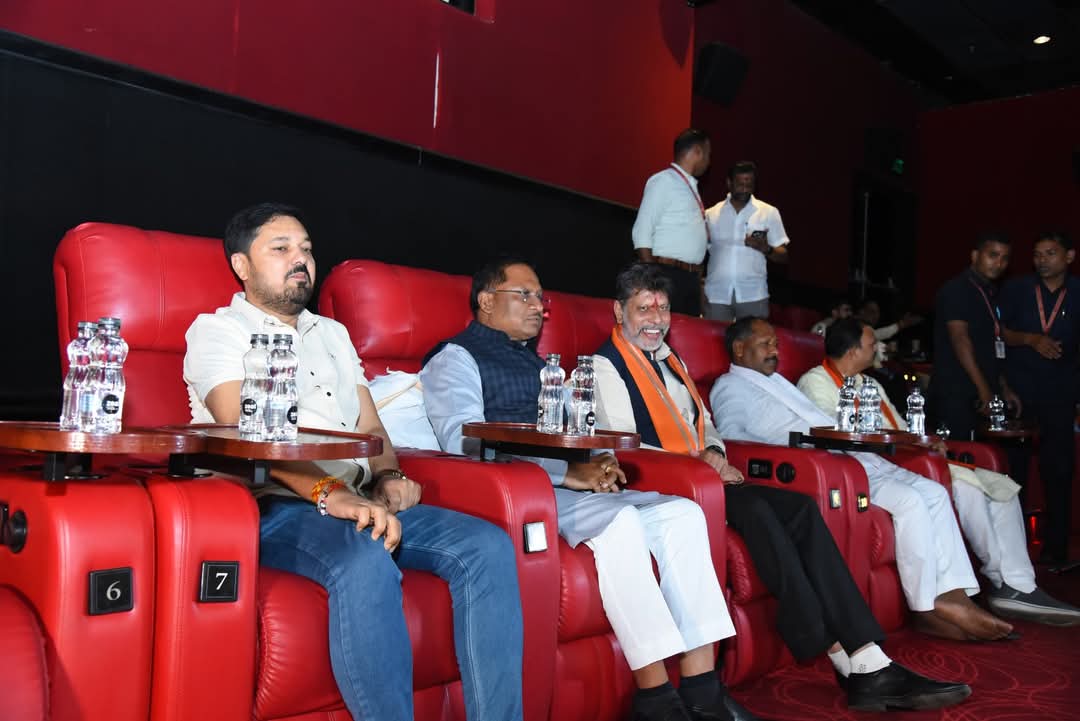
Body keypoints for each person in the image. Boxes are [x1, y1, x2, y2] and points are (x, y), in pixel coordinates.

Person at [183, 203, 525, 721]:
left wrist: (389, 475)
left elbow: (371, 426)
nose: (300, 259)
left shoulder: (333, 334)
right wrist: (331, 494)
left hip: (357, 497)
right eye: (281, 249)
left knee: (487, 546)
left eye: (306, 249)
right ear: (242, 265)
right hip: (274, 504)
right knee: (364, 557)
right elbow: (249, 432)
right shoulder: (218, 330)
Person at [591, 263, 971, 712]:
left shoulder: (672, 361)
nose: (655, 319)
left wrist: (714, 453)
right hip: (669, 486)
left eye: (663, 308)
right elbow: (626, 446)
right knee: (759, 513)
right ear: (619, 311)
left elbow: (705, 424)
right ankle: (844, 657)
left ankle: (868, 656)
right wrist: (700, 466)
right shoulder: (605, 365)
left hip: (708, 476)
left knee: (801, 509)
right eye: (644, 309)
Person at [421, 258, 739, 721]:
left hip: (568, 484)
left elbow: (581, 426)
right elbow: (462, 439)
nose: (539, 307)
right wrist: (565, 472)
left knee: (683, 514)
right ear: (486, 301)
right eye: (525, 295)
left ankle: (702, 690)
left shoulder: (540, 364)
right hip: (518, 492)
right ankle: (655, 699)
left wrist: (600, 459)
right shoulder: (455, 358)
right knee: (622, 522)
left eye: (541, 298)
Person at [710, 317, 1015, 643]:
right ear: (739, 348)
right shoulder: (729, 387)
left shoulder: (778, 381)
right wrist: (798, 452)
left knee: (934, 492)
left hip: (846, 456)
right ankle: (926, 608)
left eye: (775, 343)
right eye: (765, 344)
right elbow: (734, 443)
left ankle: (953, 594)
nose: (774, 350)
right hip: (815, 470)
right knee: (911, 501)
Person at [798, 318, 1080, 625]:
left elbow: (901, 428)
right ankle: (994, 584)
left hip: (902, 457)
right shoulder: (816, 382)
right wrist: (910, 446)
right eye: (871, 344)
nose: (878, 348)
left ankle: (1017, 583)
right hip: (875, 465)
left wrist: (925, 441)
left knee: (1002, 489)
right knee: (970, 491)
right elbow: (835, 433)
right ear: (853, 351)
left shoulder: (870, 383)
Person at [999, 231, 1080, 566]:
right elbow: (998, 333)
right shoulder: (1017, 288)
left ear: (1069, 256)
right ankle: (1012, 548)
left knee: (1058, 471)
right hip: (1019, 393)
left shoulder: (1077, 292)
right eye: (1037, 254)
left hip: (1061, 395)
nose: (1042, 260)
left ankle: (1055, 548)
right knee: (1012, 473)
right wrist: (1031, 339)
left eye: (1050, 253)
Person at [927, 232, 1019, 440]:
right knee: (959, 455)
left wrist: (1002, 387)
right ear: (975, 255)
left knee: (983, 455)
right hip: (957, 394)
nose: (999, 263)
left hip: (980, 393)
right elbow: (960, 341)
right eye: (993, 255)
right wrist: (984, 390)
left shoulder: (989, 292)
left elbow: (992, 344)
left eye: (1005, 258)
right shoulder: (956, 290)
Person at [632, 128, 713, 316]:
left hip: (689, 278)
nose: (709, 162)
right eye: (708, 154)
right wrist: (654, 281)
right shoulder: (664, 181)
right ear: (697, 151)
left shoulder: (689, 186)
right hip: (667, 275)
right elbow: (641, 233)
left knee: (686, 333)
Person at [703, 161, 789, 321]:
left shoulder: (768, 212)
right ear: (729, 183)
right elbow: (700, 252)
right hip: (716, 294)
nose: (744, 189)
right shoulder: (711, 214)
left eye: (749, 184)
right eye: (740, 184)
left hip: (753, 294)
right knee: (713, 337)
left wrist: (765, 248)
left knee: (753, 337)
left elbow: (784, 256)